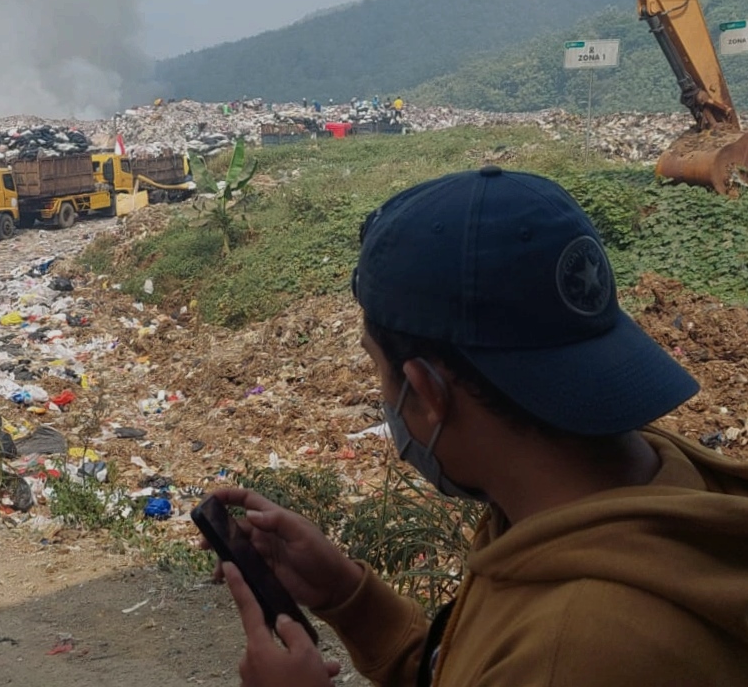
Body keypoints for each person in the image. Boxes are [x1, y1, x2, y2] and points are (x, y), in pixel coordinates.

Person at [211, 167, 748, 686]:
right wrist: (349, 599)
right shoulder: (657, 486)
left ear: (427, 393)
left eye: (376, 366)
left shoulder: (577, 651)